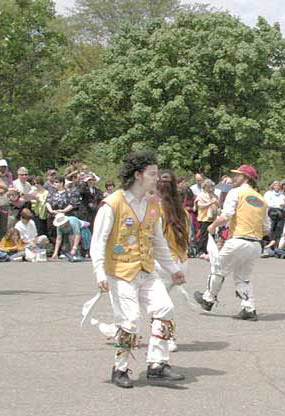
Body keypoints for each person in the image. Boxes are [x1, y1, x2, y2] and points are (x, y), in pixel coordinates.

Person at [90, 151, 187, 388]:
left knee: (165, 308)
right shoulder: (112, 203)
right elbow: (98, 241)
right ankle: (120, 368)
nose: (157, 178)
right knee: (130, 319)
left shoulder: (154, 204)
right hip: (121, 272)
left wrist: (173, 269)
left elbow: (159, 242)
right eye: (152, 174)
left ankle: (157, 364)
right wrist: (99, 273)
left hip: (146, 269)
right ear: (137, 175)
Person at [194, 164, 270, 321]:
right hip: (256, 244)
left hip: (238, 240)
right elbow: (267, 229)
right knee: (242, 277)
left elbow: (226, 215)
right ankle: (249, 308)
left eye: (238, 175)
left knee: (218, 268)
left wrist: (212, 226)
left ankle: (208, 300)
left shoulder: (236, 192)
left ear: (246, 178)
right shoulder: (262, 200)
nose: (234, 178)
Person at [156, 169, 191, 352]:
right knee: (162, 302)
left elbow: (152, 240)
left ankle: (166, 337)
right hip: (180, 261)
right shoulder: (183, 212)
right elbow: (187, 239)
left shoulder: (153, 209)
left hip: (162, 263)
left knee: (160, 304)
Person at [193, 179, 218, 257]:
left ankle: (210, 250)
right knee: (204, 235)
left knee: (212, 234)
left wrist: (216, 202)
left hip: (213, 217)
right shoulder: (201, 195)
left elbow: (218, 204)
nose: (209, 188)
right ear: (204, 187)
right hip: (204, 217)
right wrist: (210, 203)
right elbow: (200, 205)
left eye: (210, 186)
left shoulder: (213, 194)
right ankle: (201, 250)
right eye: (208, 187)